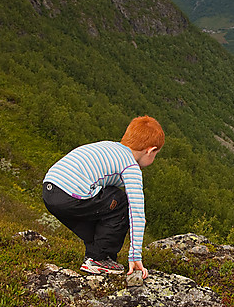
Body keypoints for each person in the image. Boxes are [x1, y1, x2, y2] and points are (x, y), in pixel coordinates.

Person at [42, 116, 164, 279]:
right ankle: (98, 259)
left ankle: (95, 253)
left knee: (106, 199)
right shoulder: (130, 166)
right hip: (72, 194)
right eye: (155, 154)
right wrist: (135, 256)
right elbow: (137, 213)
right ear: (150, 150)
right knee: (121, 202)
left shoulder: (109, 146)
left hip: (50, 189)